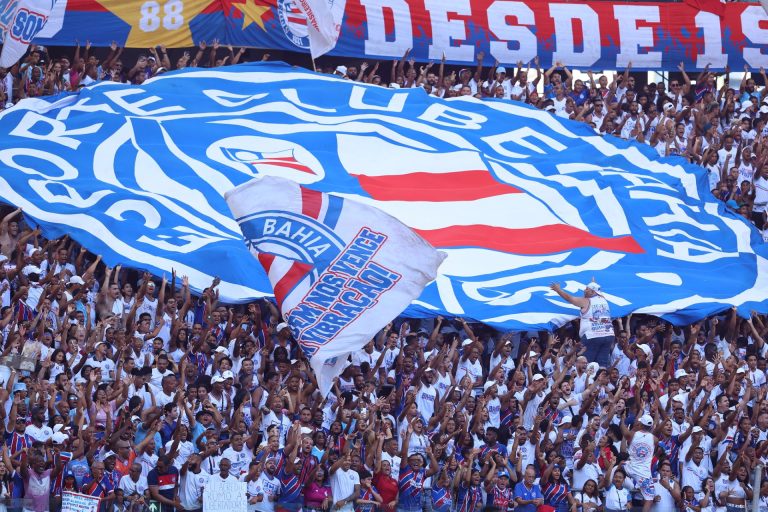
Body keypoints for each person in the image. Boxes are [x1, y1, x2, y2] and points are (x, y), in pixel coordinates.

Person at [550, 281, 614, 367]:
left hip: (592, 336)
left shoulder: (586, 301)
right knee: (602, 364)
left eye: (587, 289)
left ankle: (585, 379)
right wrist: (593, 282)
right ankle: (602, 377)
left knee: (584, 363)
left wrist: (558, 290)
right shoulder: (603, 299)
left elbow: (570, 299)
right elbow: (597, 290)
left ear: (592, 292)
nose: (584, 290)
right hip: (609, 335)